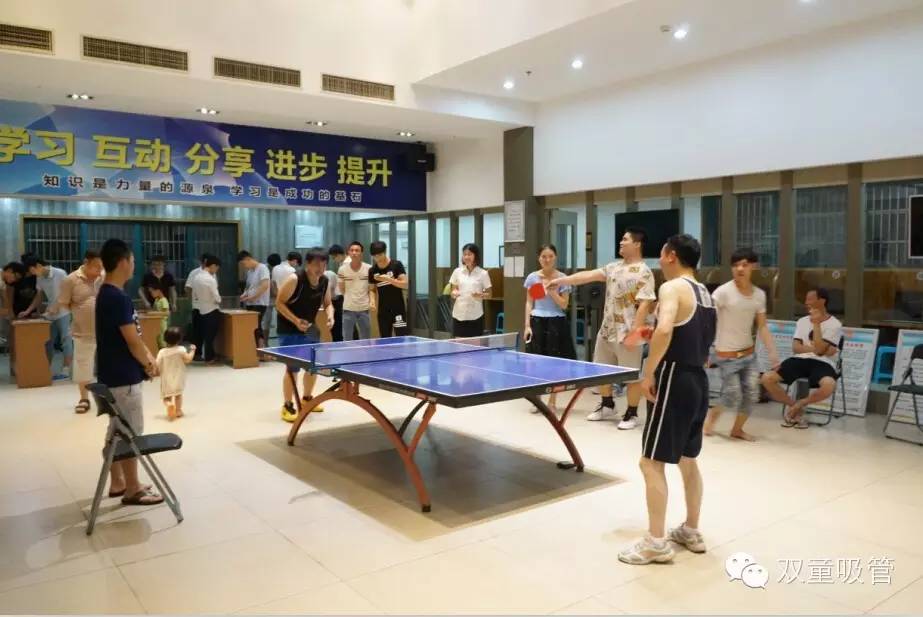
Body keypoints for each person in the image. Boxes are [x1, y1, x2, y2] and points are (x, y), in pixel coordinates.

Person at [618, 234, 716, 565]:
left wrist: (647, 374)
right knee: (688, 459)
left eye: (661, 254)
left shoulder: (672, 287)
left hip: (674, 378)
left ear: (671, 255)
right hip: (698, 380)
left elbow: (665, 331)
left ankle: (656, 542)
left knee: (650, 462)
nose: (659, 260)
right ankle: (691, 529)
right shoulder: (705, 293)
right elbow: (692, 333)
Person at [547, 228, 655, 428]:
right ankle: (607, 405)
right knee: (602, 371)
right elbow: (587, 276)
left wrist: (635, 332)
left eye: (625, 239)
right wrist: (562, 280)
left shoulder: (644, 271)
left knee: (632, 377)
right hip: (607, 331)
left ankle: (631, 413)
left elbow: (645, 304)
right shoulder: (613, 267)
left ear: (637, 244)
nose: (621, 242)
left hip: (629, 334)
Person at [96, 238, 163, 506]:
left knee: (116, 429)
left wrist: (147, 357)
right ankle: (133, 488)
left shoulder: (107, 293)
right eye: (133, 260)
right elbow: (132, 340)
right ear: (123, 262)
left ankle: (118, 482)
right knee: (130, 432)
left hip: (111, 375)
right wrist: (148, 363)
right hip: (124, 377)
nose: (134, 265)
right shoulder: (117, 297)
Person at [703, 248, 780, 441]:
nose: (740, 269)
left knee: (752, 394)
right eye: (736, 265)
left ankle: (737, 429)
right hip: (726, 355)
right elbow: (706, 319)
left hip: (748, 354)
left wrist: (773, 353)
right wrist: (704, 349)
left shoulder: (759, 295)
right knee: (732, 395)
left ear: (753, 267)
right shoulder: (723, 292)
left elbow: (762, 326)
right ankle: (712, 417)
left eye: (745, 265)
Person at [760, 288, 842, 429]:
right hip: (799, 359)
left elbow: (821, 352)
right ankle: (794, 407)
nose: (806, 302)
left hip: (823, 362)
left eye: (810, 299)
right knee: (767, 378)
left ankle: (801, 403)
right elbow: (796, 347)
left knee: (829, 385)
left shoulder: (835, 324)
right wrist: (819, 349)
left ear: (822, 301)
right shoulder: (802, 321)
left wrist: (816, 324)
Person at [277, 248, 334, 423]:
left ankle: (307, 399)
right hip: (289, 330)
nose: (320, 268)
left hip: (310, 329)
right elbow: (279, 303)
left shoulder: (324, 281)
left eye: (323, 264)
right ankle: (287, 405)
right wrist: (295, 320)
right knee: (292, 369)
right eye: (316, 264)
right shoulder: (295, 280)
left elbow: (328, 303)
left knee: (312, 367)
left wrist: (330, 315)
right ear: (307, 264)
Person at [523, 244, 576, 413]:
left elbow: (564, 305)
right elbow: (530, 302)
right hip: (537, 321)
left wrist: (553, 292)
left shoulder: (562, 278)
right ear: (539, 258)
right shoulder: (533, 277)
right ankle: (538, 399)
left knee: (555, 364)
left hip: (556, 323)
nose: (547, 260)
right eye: (544, 256)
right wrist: (527, 325)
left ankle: (553, 401)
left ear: (555, 257)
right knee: (536, 363)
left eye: (550, 256)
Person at [55, 250, 104, 414]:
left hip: (105, 330)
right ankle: (84, 398)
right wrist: (80, 312)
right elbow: (63, 303)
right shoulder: (70, 280)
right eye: (96, 266)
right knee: (83, 365)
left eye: (101, 266)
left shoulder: (103, 277)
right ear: (86, 262)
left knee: (110, 364)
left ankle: (111, 398)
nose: (99, 270)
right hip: (83, 331)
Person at [23, 255, 73, 380]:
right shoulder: (39, 278)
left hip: (64, 311)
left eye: (32, 270)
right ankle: (45, 369)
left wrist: (57, 306)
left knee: (66, 340)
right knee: (47, 341)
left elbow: (67, 292)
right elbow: (39, 296)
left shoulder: (60, 273)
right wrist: (28, 310)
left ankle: (67, 370)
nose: (32, 274)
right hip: (50, 313)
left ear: (39, 266)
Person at [449, 243, 492, 338]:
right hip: (459, 315)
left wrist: (480, 295)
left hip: (475, 315)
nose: (466, 257)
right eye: (464, 254)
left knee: (474, 345)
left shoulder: (483, 273)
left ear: (475, 256)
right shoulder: (457, 272)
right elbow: (453, 291)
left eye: (469, 254)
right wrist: (454, 293)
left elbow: (489, 294)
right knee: (459, 345)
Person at [368, 241, 409, 338]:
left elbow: (405, 284)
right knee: (385, 339)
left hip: (398, 309)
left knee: (401, 337)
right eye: (374, 256)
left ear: (385, 252)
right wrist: (372, 301)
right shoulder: (372, 270)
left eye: (379, 255)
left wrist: (388, 279)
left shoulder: (396, 265)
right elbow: (372, 289)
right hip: (383, 311)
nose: (377, 258)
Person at [156, 327, 195, 421]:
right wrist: (192, 350)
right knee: (178, 395)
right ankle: (178, 411)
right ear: (179, 340)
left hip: (166, 379)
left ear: (165, 339)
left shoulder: (162, 352)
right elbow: (188, 359)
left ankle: (169, 404)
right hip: (179, 377)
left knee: (167, 397)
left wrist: (155, 372)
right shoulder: (181, 350)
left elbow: (157, 364)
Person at [337, 241, 373, 341]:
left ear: (361, 253)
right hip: (348, 309)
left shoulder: (369, 268)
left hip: (364, 308)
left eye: (357, 250)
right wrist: (350, 298)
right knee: (347, 339)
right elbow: (342, 289)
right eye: (352, 250)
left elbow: (371, 288)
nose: (354, 253)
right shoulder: (342, 269)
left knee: (365, 339)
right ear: (348, 252)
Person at [190, 255, 222, 365]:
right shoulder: (210, 279)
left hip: (202, 309)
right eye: (217, 268)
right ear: (213, 266)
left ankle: (209, 357)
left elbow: (194, 294)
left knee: (205, 334)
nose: (216, 271)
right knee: (211, 336)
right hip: (212, 309)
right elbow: (217, 297)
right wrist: (219, 300)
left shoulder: (196, 278)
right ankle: (209, 358)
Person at [237, 250, 271, 348]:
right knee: (252, 326)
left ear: (248, 259)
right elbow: (248, 287)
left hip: (260, 303)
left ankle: (261, 348)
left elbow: (265, 286)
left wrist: (253, 297)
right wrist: (244, 295)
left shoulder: (262, 268)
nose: (244, 266)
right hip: (250, 303)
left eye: (243, 264)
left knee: (257, 326)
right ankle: (254, 348)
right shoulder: (250, 272)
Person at [326, 245, 346, 341]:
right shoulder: (342, 264)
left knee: (341, 325)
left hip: (342, 298)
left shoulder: (346, 264)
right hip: (341, 297)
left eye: (334, 258)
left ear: (339, 255)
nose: (334, 260)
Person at [264, 253, 282, 341]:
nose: (273, 267)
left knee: (282, 319)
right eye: (272, 266)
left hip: (278, 297)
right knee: (266, 321)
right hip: (266, 298)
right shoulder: (264, 269)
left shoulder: (280, 269)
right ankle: (265, 342)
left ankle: (280, 338)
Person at [148, 284, 171, 348]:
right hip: (156, 323)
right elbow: (154, 310)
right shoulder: (157, 300)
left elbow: (166, 313)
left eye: (152, 292)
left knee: (162, 340)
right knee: (158, 340)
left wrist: (154, 313)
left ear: (158, 291)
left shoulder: (164, 300)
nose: (151, 294)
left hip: (162, 323)